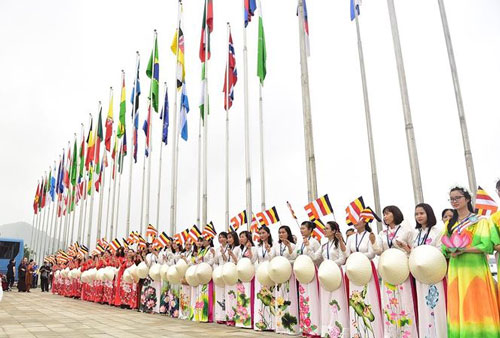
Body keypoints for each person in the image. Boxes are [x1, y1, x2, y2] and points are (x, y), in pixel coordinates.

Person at [442, 187, 500, 337]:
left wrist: (464, 249)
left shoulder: (480, 220)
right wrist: (451, 250)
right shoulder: (449, 224)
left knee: (478, 302)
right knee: (460, 304)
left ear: (467, 199)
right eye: (452, 199)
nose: (454, 201)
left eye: (457, 198)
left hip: (475, 270)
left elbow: (486, 245)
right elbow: (443, 247)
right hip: (457, 270)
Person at [372, 205, 418, 337]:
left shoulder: (406, 230)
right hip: (388, 270)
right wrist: (374, 241)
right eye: (384, 214)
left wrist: (406, 248)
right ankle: (392, 333)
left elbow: (413, 248)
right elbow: (379, 251)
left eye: (387, 213)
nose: (385, 217)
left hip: (403, 268)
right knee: (389, 301)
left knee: (405, 300)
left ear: (395, 214)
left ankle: (407, 333)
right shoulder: (382, 233)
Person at [341, 207, 384, 338]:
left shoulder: (370, 236)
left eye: (358, 219)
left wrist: (358, 255)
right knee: (354, 300)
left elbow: (371, 254)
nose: (355, 222)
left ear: (365, 221)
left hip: (366, 267)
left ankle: (373, 332)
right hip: (353, 268)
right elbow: (346, 254)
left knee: (367, 297)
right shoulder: (350, 238)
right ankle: (357, 331)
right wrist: (345, 248)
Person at [409, 203, 447, 338]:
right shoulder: (416, 233)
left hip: (435, 273)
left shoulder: (438, 231)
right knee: (423, 306)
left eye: (421, 213)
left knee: (437, 305)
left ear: (429, 214)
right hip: (421, 277)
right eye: (416, 214)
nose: (419, 216)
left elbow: (441, 250)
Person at [315, 221, 349, 338]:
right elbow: (315, 257)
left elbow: (343, 258)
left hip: (335, 273)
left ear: (334, 231)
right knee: (327, 300)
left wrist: (330, 265)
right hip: (326, 274)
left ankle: (340, 330)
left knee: (337, 299)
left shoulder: (339, 243)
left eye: (327, 228)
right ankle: (328, 329)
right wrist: (308, 247)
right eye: (324, 228)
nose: (324, 230)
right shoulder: (324, 245)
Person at [272, 225, 299, 335]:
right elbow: (272, 258)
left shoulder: (293, 245)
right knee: (279, 298)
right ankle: (280, 327)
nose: (281, 234)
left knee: (289, 298)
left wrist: (289, 247)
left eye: (283, 232)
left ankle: (291, 326)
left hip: (289, 274)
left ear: (288, 233)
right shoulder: (276, 246)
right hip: (279, 275)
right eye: (279, 232)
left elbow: (294, 257)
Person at [297, 221, 321, 338]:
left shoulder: (314, 242)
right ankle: (305, 328)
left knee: (312, 299)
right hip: (302, 273)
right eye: (301, 228)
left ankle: (314, 329)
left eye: (304, 228)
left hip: (311, 272)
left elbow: (317, 258)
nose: (301, 230)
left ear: (310, 229)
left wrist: (308, 247)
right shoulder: (300, 243)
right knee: (303, 300)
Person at [229, 231, 256, 329]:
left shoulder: (253, 248)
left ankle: (249, 320)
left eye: (243, 237)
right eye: (240, 237)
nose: (240, 238)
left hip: (248, 274)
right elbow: (238, 261)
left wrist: (250, 249)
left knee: (248, 296)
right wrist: (232, 255)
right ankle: (241, 320)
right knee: (241, 297)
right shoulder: (239, 249)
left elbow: (253, 260)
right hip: (240, 274)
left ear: (248, 238)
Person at [254, 226, 275, 331]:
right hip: (260, 272)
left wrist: (269, 250)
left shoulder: (274, 244)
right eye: (260, 233)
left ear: (268, 234)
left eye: (263, 233)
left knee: (270, 298)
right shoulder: (258, 247)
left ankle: (271, 323)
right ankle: (261, 323)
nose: (261, 235)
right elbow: (254, 259)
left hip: (269, 272)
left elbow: (274, 259)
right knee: (261, 299)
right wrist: (249, 248)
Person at [223, 231, 240, 326]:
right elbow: (226, 260)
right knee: (229, 295)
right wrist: (223, 253)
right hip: (228, 272)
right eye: (228, 238)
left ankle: (235, 317)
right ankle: (229, 317)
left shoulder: (237, 248)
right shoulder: (228, 248)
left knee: (234, 295)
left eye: (230, 237)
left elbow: (238, 260)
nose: (228, 239)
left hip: (234, 272)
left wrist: (232, 254)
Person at [214, 232, 228, 324]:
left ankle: (226, 315)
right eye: (219, 237)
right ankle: (219, 316)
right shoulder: (217, 249)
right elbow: (215, 261)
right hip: (219, 270)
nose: (221, 239)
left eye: (223, 237)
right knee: (219, 292)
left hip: (227, 269)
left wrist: (223, 253)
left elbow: (227, 259)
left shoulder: (229, 247)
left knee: (226, 292)